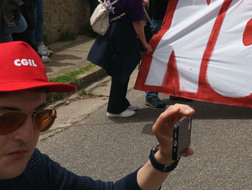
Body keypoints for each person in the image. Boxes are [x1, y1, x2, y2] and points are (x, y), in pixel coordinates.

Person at [0, 41, 194, 187]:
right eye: (6, 120)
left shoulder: (33, 165)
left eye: (40, 117)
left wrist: (164, 157)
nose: (27, 136)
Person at [87, 0, 151, 118]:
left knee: (122, 70)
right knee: (121, 71)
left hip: (113, 31)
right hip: (123, 35)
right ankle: (115, 109)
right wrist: (145, 43)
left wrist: (137, 4)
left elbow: (121, 6)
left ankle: (122, 102)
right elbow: (137, 23)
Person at [143, 0, 200, 109]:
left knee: (179, 56)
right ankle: (151, 94)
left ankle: (174, 90)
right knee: (157, 55)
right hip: (160, 18)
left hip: (182, 19)